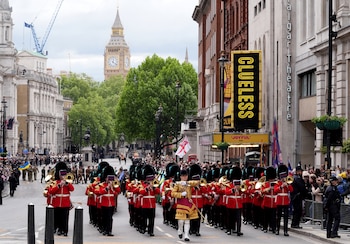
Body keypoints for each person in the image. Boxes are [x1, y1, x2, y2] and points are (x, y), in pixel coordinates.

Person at [171, 169, 199, 242]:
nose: (185, 177)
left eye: (186, 176)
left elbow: (197, 182)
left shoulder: (189, 183)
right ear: (180, 176)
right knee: (181, 221)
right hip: (181, 203)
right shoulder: (177, 184)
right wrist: (181, 194)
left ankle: (186, 235)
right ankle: (180, 230)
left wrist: (187, 183)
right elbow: (173, 193)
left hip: (188, 203)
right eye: (183, 176)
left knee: (187, 221)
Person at [48, 162, 74, 236]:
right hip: (57, 203)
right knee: (58, 217)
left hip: (65, 203)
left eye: (64, 173)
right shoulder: (55, 182)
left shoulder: (67, 182)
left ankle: (64, 230)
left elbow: (72, 189)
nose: (63, 175)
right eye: (61, 173)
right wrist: (58, 186)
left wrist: (67, 184)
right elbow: (51, 191)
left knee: (65, 218)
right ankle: (59, 229)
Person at [94, 165, 120, 236]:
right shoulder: (101, 185)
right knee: (104, 217)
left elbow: (118, 191)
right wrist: (106, 188)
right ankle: (104, 229)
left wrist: (113, 186)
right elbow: (97, 192)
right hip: (104, 203)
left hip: (111, 203)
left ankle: (109, 231)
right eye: (108, 178)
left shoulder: (113, 185)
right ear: (105, 178)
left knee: (110, 218)